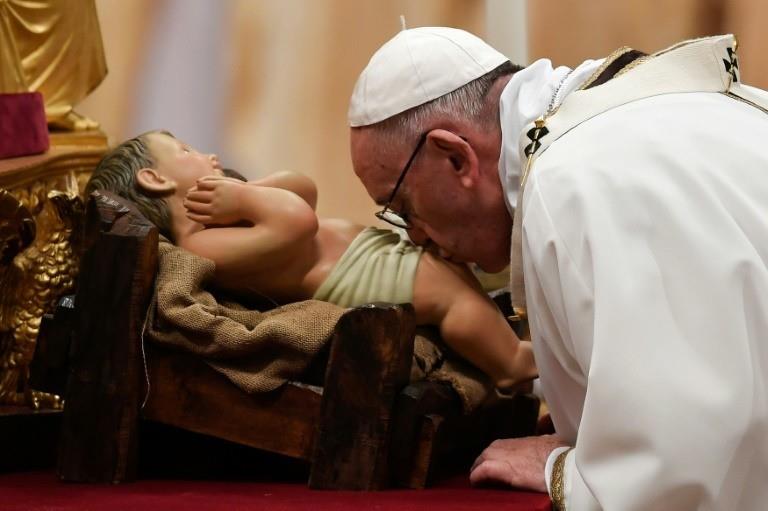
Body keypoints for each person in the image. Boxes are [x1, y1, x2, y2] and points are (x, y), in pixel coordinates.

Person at [348, 27, 768, 510]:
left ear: (456, 156)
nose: (415, 236)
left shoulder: (570, 181)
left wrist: (569, 469)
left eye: (402, 205)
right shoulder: (673, 114)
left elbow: (676, 459)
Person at [84, 130, 538, 392]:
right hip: (355, 278)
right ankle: (511, 363)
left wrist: (247, 190)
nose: (208, 155)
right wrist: (245, 196)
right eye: (185, 151)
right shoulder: (202, 247)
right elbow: (297, 222)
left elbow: (304, 190)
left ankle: (510, 345)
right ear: (154, 178)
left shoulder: (230, 213)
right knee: (452, 299)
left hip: (366, 254)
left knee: (455, 276)